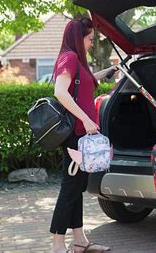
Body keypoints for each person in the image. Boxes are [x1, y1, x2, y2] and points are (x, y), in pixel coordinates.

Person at [50, 17, 118, 253]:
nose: (91, 43)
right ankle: (57, 245)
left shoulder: (77, 60)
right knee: (69, 189)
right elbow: (60, 91)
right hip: (76, 137)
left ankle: (79, 240)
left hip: (81, 137)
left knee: (77, 187)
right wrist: (87, 119)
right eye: (89, 39)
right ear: (79, 38)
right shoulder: (69, 57)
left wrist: (109, 71)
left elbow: (84, 83)